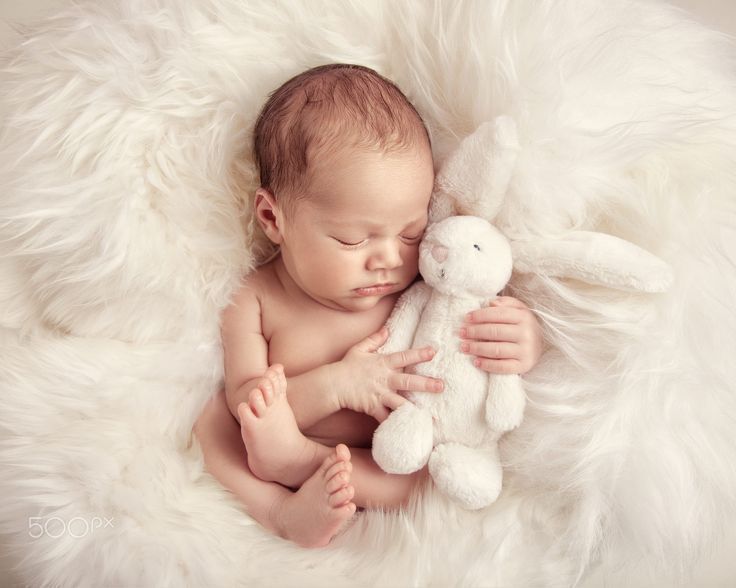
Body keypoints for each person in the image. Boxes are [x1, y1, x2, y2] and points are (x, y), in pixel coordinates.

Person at [193, 64, 543, 548]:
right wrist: (338, 385)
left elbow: (472, 317)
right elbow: (248, 405)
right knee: (210, 427)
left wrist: (523, 337)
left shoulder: (419, 278)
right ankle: (278, 510)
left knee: (427, 474)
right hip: (271, 443)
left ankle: (300, 465)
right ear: (274, 218)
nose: (387, 259)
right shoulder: (254, 299)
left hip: (384, 459)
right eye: (351, 239)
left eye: (409, 232)